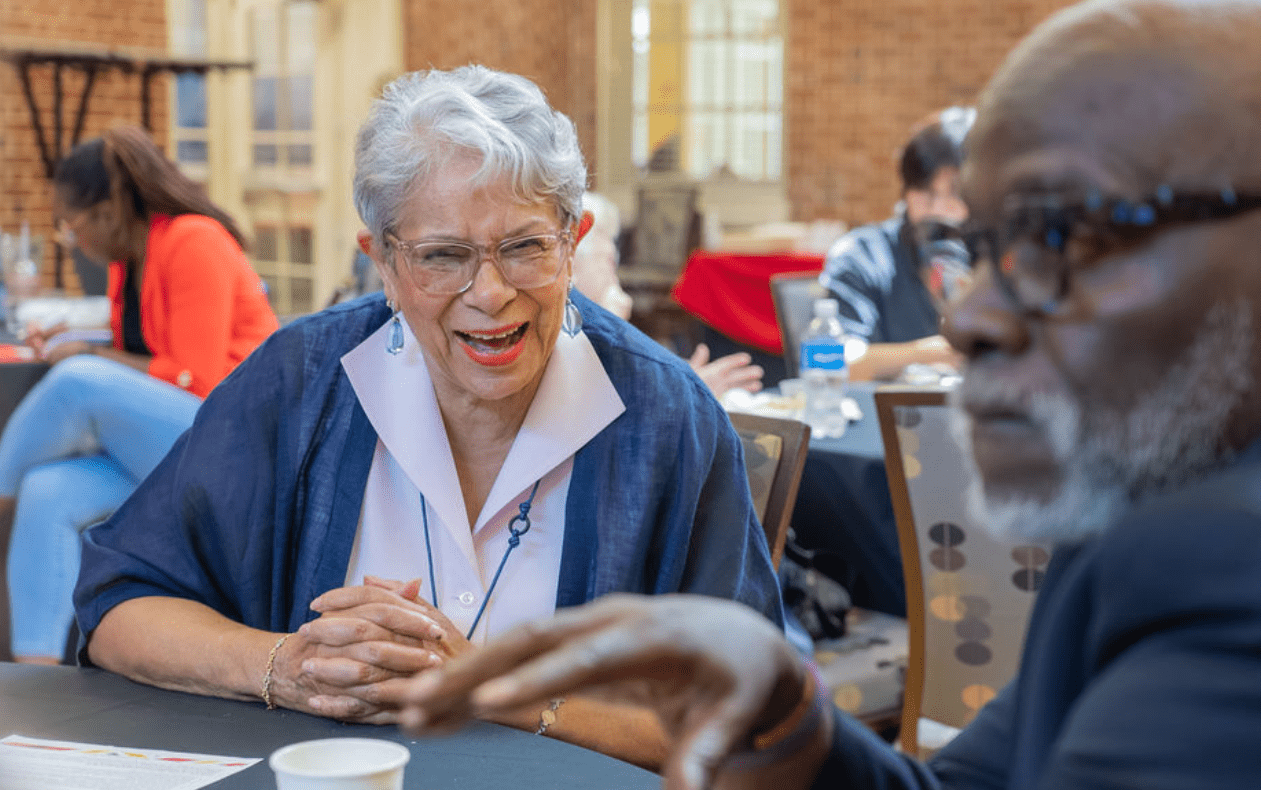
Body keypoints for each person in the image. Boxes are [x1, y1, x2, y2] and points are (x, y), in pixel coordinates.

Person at [395, 1, 1261, 788]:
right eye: (977, 247)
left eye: (1061, 239)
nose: (971, 317)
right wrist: (782, 717)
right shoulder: (1191, 503)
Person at [74, 65, 781, 770]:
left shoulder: (666, 418)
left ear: (574, 242)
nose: (491, 293)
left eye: (525, 247)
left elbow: (752, 719)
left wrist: (490, 685)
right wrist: (288, 664)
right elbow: (118, 607)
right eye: (442, 256)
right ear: (379, 261)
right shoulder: (298, 384)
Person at [0, 126, 278, 664]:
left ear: (107, 211)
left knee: (79, 380)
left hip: (240, 449)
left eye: (70, 224)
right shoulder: (129, 263)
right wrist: (85, 342)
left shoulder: (194, 241)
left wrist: (92, 357)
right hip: (178, 445)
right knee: (48, 491)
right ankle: (36, 677)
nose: (71, 238)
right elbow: (150, 351)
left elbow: (196, 380)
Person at [821, 108, 974, 382]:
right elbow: (826, 363)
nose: (938, 209)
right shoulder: (860, 254)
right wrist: (928, 354)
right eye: (925, 193)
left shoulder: (997, 259)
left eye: (955, 194)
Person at [573, 191, 764, 397]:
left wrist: (679, 384)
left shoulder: (590, 330)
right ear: (571, 265)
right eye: (607, 260)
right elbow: (604, 412)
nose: (613, 276)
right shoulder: (572, 339)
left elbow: (632, 391)